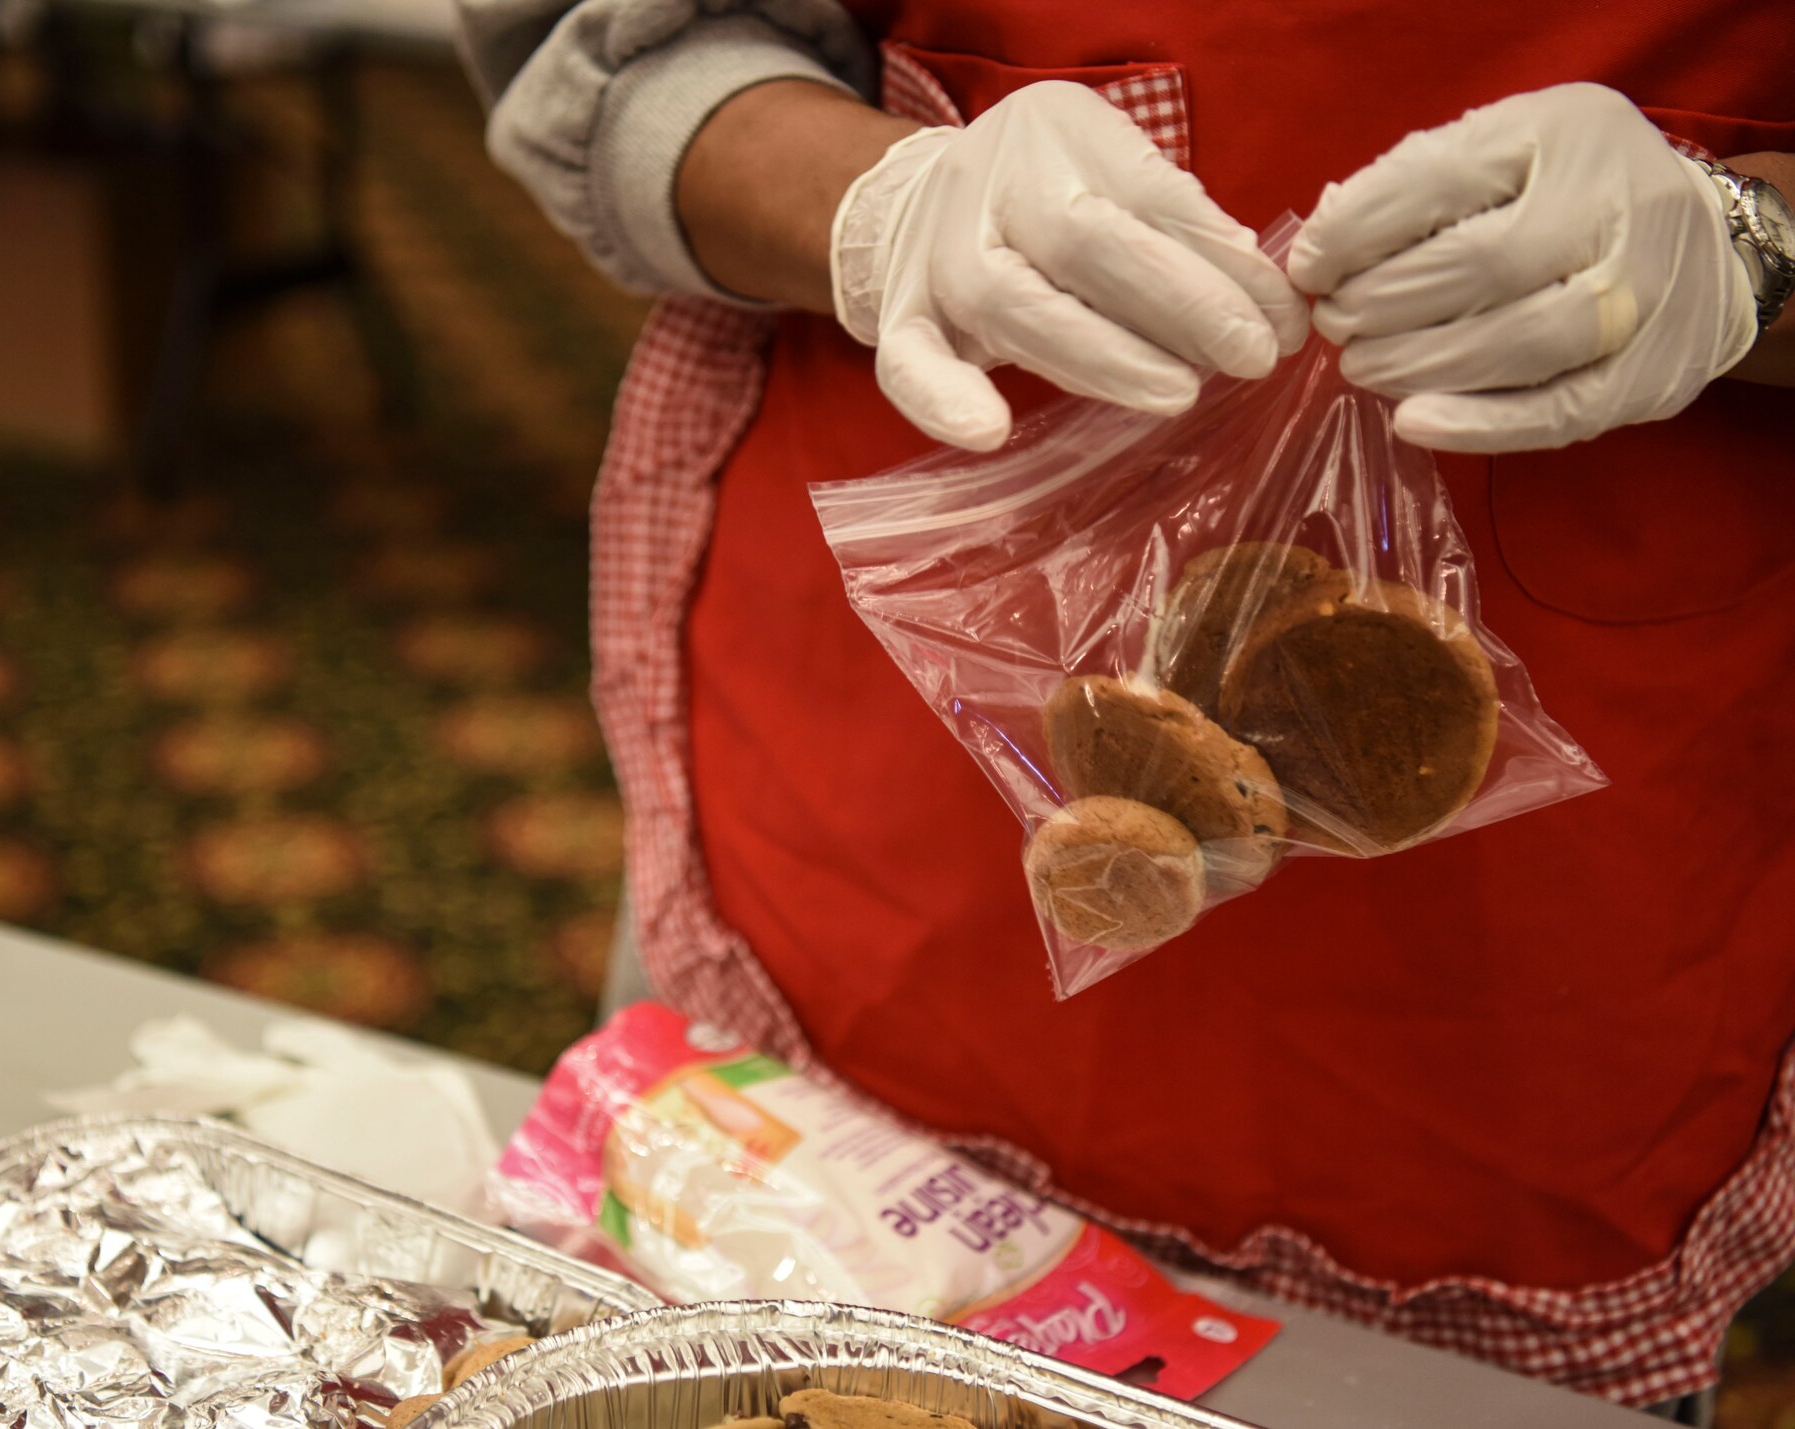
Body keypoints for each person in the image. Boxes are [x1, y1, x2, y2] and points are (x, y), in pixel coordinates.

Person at [453, 0, 1795, 1417]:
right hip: (891, 774)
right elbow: (597, 50)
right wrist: (884, 203)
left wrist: (1747, 247)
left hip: (1558, 927)